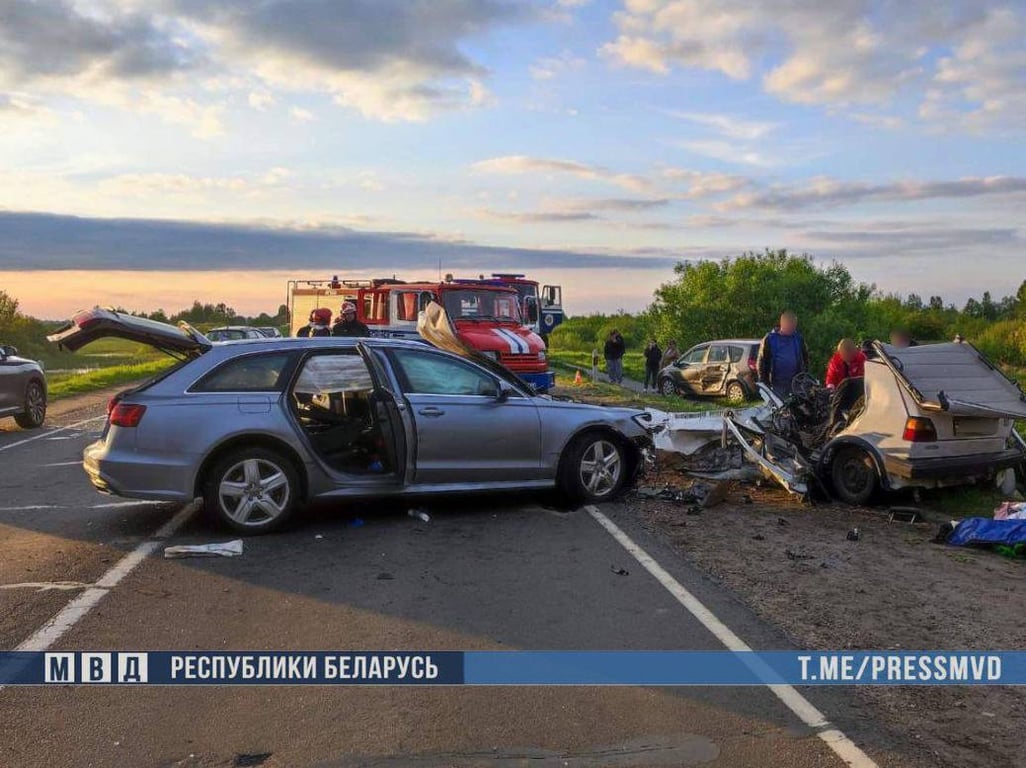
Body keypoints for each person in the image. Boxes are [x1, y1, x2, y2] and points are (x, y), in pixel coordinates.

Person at [757, 310, 810, 399]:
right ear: (783, 323)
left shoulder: (798, 338)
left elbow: (805, 358)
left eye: (794, 325)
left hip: (795, 383)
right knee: (780, 405)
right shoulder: (770, 339)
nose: (792, 328)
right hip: (776, 384)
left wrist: (803, 375)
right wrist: (764, 383)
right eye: (790, 325)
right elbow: (761, 362)